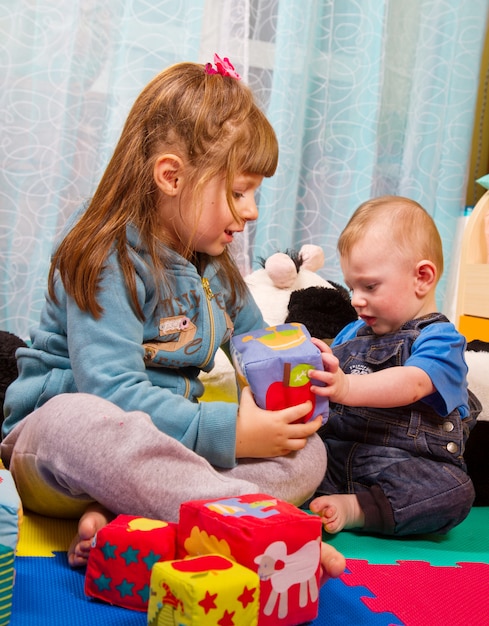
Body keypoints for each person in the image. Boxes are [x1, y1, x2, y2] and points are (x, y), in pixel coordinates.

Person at [0, 56, 345, 579]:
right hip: (62, 456)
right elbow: (110, 391)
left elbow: (259, 344)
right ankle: (259, 526)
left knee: (308, 452)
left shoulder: (214, 267)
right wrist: (226, 433)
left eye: (254, 193)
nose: (251, 210)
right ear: (171, 176)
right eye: (237, 192)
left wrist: (301, 368)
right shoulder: (105, 256)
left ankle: (135, 521)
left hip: (161, 460)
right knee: (77, 421)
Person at [307, 196, 481, 536]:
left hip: (403, 468)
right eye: (352, 286)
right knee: (285, 456)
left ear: (422, 278)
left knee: (455, 492)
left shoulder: (440, 339)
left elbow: (413, 382)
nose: (356, 299)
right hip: (335, 456)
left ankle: (360, 509)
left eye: (369, 286)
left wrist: (347, 387)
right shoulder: (352, 332)